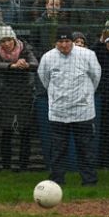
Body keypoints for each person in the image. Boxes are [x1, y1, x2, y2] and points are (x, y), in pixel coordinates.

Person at [37, 28, 101, 185]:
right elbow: (44, 78)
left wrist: (85, 95)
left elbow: (96, 76)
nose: (64, 45)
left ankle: (89, 181)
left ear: (72, 41)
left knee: (85, 149)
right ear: (55, 43)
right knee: (58, 149)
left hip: (83, 112)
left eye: (67, 41)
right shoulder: (47, 57)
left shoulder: (88, 55)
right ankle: (57, 181)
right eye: (60, 42)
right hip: (58, 112)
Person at [0, 26, 38, 171]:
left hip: (24, 93)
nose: (6, 44)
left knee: (25, 131)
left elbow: (35, 64)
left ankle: (23, 165)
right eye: (3, 41)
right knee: (6, 131)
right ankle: (6, 166)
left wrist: (25, 64)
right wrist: (12, 65)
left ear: (14, 39)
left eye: (8, 40)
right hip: (6, 95)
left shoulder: (25, 49)